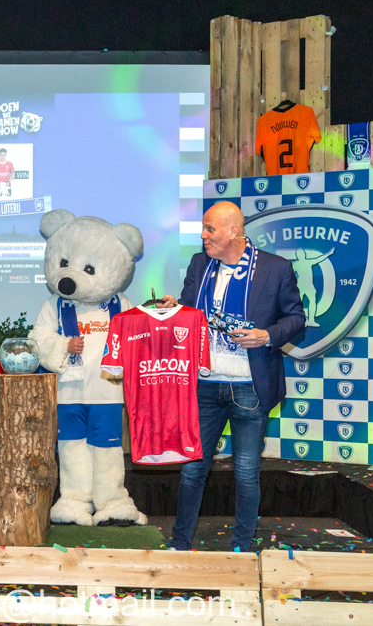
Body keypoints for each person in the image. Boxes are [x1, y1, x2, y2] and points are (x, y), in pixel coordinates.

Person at [159, 201, 305, 552]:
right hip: (204, 384)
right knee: (192, 470)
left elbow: (296, 319)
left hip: (249, 386)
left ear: (233, 231)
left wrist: (266, 336)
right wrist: (173, 309)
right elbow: (189, 312)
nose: (203, 235)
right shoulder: (200, 264)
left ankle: (242, 548)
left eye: (210, 229)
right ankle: (180, 544)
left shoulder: (275, 268)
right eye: (203, 228)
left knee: (245, 472)